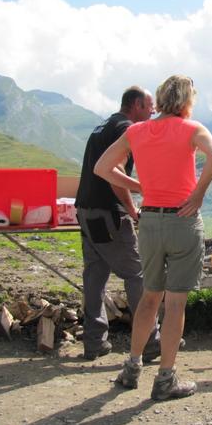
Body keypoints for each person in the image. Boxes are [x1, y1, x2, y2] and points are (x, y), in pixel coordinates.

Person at [95, 75, 212, 400]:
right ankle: (165, 379)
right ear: (187, 100)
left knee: (149, 298)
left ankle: (131, 368)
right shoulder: (192, 128)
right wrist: (198, 194)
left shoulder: (136, 131)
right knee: (175, 303)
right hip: (183, 221)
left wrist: (140, 187)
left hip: (149, 220)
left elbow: (102, 168)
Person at [75, 85, 160, 361]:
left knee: (95, 275)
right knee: (137, 274)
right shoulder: (127, 129)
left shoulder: (104, 125)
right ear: (136, 105)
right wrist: (134, 204)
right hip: (108, 214)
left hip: (86, 210)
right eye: (150, 106)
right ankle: (150, 341)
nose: (153, 111)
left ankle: (94, 342)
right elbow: (115, 172)